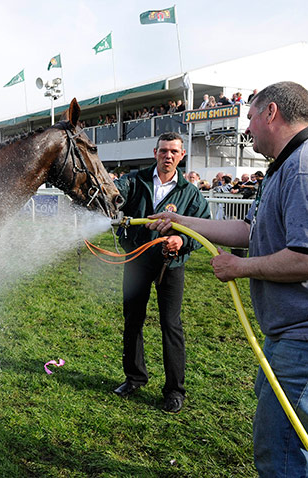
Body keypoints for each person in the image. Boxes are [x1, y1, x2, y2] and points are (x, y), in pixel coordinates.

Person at [146, 81, 308, 477]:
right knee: (288, 437)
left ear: (271, 113)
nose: (248, 129)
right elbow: (249, 231)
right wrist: (180, 221)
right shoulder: (284, 166)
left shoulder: (306, 167)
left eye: (251, 118)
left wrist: (241, 268)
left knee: (283, 450)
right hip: (288, 333)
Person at [111, 131, 211, 413]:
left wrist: (183, 241)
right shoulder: (135, 180)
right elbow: (116, 194)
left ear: (181, 156)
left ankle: (174, 391)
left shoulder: (190, 193)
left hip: (171, 266)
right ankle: (134, 377)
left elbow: (203, 225)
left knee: (171, 325)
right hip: (137, 261)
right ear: (155, 153)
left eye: (173, 152)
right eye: (163, 150)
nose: (168, 155)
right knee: (132, 319)